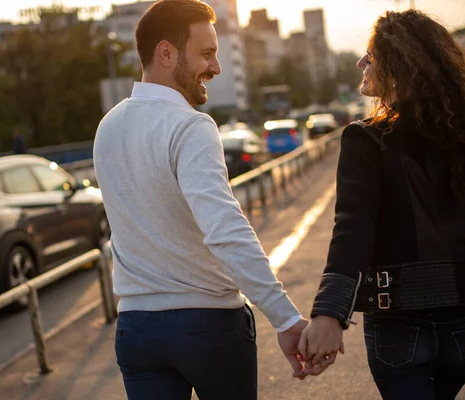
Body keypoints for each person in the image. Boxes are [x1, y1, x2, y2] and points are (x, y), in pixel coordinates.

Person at [298, 10, 465, 399]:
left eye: (371, 56)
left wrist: (330, 314)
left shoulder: (365, 140)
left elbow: (352, 229)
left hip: (397, 328)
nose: (361, 64)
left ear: (399, 67)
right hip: (463, 332)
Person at [93, 1, 309, 399]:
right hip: (207, 325)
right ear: (166, 53)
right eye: (207, 54)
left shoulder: (108, 126)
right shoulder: (191, 126)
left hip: (137, 328)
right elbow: (224, 229)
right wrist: (285, 318)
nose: (216, 67)